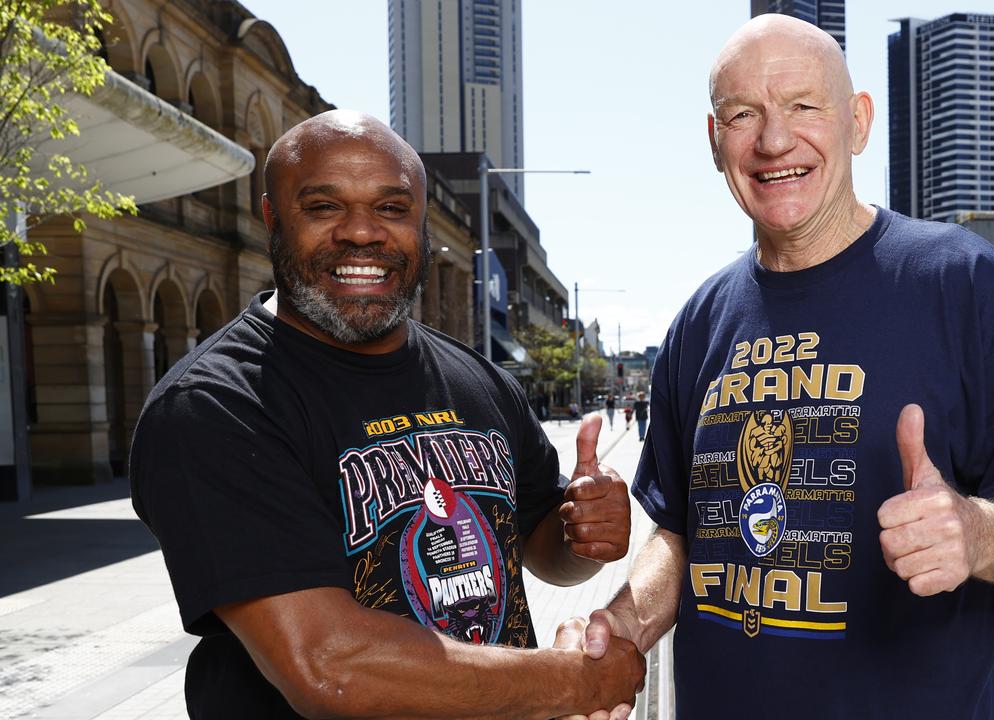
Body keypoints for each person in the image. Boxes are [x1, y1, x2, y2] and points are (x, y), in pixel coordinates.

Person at [554, 15, 994, 719]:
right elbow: (684, 538)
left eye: (804, 105)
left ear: (858, 121)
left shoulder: (962, 283)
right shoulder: (699, 321)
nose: (775, 140)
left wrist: (978, 531)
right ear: (715, 143)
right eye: (744, 114)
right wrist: (620, 626)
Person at [129, 111, 643, 719]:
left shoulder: (480, 381)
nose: (361, 233)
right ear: (271, 219)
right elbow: (330, 668)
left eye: (392, 209)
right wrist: (577, 683)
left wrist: (584, 532)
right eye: (323, 207)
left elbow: (542, 552)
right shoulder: (217, 405)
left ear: (422, 227)